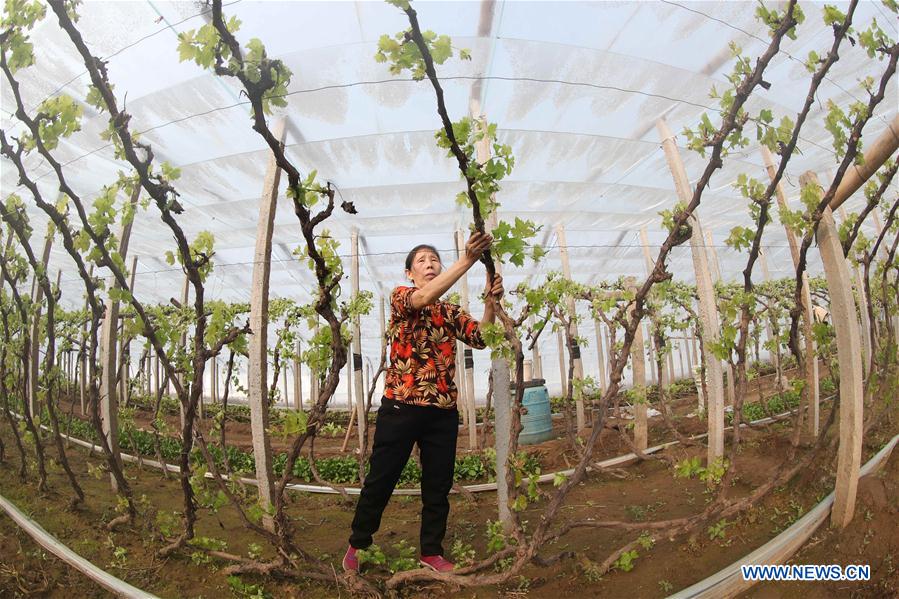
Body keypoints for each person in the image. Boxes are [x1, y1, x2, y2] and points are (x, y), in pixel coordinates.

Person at [343, 231, 504, 574]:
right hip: (402, 405)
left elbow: (482, 338)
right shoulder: (402, 296)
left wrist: (490, 305)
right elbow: (424, 298)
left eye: (434, 260)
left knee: (438, 486)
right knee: (381, 479)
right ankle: (358, 543)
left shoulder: (450, 310)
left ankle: (431, 551)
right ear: (410, 274)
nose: (430, 265)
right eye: (422, 261)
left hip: (442, 411)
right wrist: (468, 260)